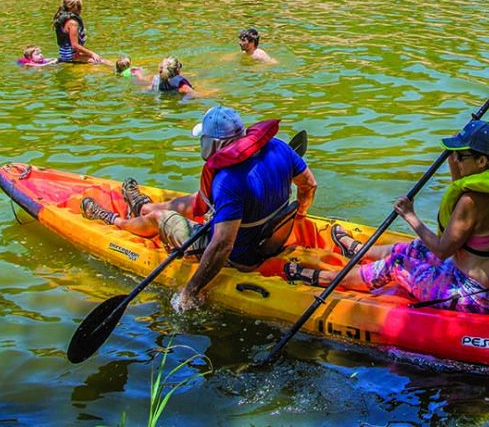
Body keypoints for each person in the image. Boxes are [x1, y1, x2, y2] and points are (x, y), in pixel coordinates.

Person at [284, 120, 489, 315]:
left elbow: (443, 250)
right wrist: (454, 153)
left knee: (399, 264)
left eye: (460, 156)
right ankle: (359, 251)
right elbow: (461, 185)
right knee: (418, 247)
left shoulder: (472, 201)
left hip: (474, 295)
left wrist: (410, 215)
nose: (454, 160)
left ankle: (320, 277)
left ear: (481, 161)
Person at [81, 106, 318, 309]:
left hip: (242, 257)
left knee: (161, 218)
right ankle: (143, 206)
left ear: (214, 143)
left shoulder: (228, 181)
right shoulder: (279, 147)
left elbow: (222, 246)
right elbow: (309, 185)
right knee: (191, 203)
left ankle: (116, 221)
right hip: (271, 241)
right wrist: (300, 218)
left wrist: (190, 291)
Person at [53, 0, 104, 64]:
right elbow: (75, 45)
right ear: (72, 8)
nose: (81, 9)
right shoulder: (72, 23)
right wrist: (92, 54)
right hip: (71, 57)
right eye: (79, 7)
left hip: (65, 55)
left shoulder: (64, 20)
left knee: (100, 58)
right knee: (101, 61)